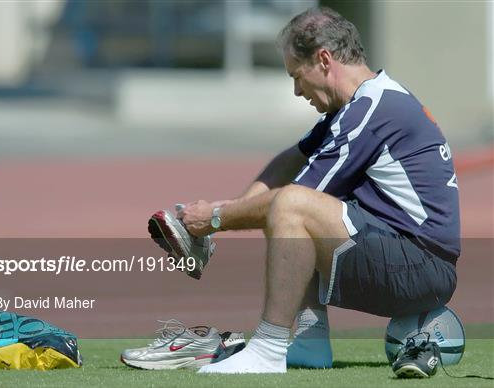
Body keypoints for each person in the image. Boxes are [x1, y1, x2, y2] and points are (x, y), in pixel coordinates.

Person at [178, 6, 460, 374]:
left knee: (294, 206)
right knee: (294, 205)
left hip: (421, 267)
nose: (296, 91)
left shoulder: (371, 112)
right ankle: (311, 342)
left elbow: (287, 202)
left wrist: (213, 218)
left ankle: (268, 347)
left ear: (324, 60)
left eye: (297, 75)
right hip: (411, 258)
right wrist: (232, 207)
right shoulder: (359, 105)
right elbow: (290, 159)